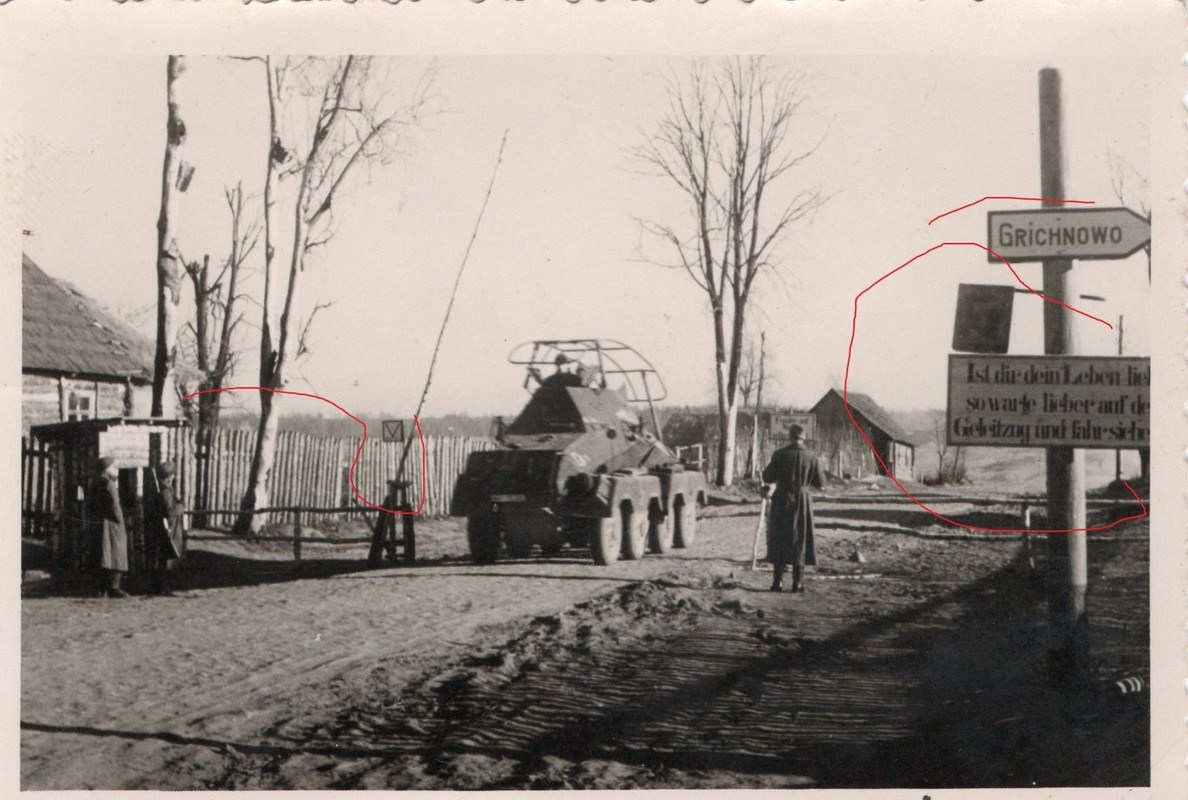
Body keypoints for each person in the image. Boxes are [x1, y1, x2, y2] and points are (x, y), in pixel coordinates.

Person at [761, 423, 824, 593]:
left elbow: (768, 476)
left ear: (790, 437)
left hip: (782, 498)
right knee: (800, 539)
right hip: (803, 501)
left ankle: (777, 583)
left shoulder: (780, 454)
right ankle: (798, 583)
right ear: (803, 438)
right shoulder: (812, 457)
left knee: (780, 537)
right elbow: (821, 482)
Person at [86, 456, 128, 598]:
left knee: (102, 555)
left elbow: (89, 505)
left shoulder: (94, 482)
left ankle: (101, 588)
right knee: (117, 554)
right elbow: (115, 506)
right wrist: (120, 520)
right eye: (114, 467)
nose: (116, 470)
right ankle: (114, 587)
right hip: (112, 525)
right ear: (107, 469)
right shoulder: (109, 484)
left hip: (99, 523)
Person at [145, 461, 184, 596]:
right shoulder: (166, 491)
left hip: (157, 527)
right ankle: (160, 587)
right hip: (163, 529)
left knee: (160, 558)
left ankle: (158, 586)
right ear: (169, 477)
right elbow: (169, 511)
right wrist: (180, 507)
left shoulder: (161, 488)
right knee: (162, 559)